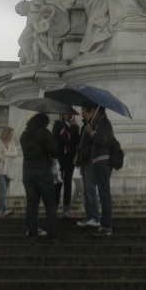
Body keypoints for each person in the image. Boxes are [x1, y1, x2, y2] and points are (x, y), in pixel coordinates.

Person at [20, 112, 58, 244]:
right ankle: (52, 235)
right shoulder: (45, 134)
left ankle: (32, 235)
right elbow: (55, 151)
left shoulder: (24, 136)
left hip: (27, 172)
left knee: (31, 205)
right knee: (50, 204)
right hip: (42, 171)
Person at [78, 101, 114, 237]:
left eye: (89, 111)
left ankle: (107, 226)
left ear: (95, 111)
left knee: (104, 194)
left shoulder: (104, 122)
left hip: (103, 162)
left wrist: (91, 131)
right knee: (103, 193)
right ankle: (105, 225)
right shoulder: (99, 122)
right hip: (98, 161)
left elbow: (102, 140)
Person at [52, 114, 79, 218]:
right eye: (64, 113)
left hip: (70, 157)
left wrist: (74, 127)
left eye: (68, 113)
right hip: (60, 156)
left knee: (68, 182)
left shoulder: (75, 126)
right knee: (58, 182)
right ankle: (54, 208)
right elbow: (55, 138)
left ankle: (66, 209)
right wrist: (69, 142)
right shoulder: (57, 124)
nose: (66, 115)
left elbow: (76, 140)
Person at [0, 126, 18, 218]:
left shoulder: (12, 143)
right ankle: (4, 210)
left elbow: (15, 154)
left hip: (9, 170)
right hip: (0, 170)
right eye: (11, 133)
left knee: (3, 191)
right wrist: (8, 156)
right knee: (3, 189)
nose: (12, 135)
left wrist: (5, 154)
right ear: (7, 133)